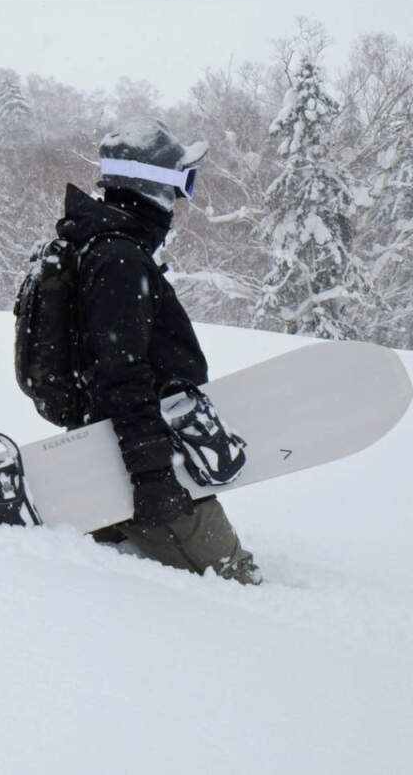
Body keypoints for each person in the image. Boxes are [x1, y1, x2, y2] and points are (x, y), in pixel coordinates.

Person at [58, 118, 261, 585]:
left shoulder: (106, 249)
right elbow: (122, 377)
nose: (184, 197)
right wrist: (152, 476)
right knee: (235, 584)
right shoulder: (119, 260)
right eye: (183, 181)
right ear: (153, 185)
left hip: (130, 452)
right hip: (146, 461)